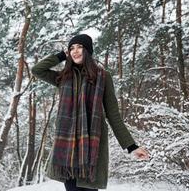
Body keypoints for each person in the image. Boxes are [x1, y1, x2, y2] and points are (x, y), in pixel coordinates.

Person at [31, 34, 149, 191]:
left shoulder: (103, 77)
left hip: (92, 148)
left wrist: (132, 146)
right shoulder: (63, 77)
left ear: (88, 50)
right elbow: (37, 70)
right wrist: (61, 56)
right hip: (68, 149)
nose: (75, 51)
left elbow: (113, 115)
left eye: (79, 47)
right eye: (71, 48)